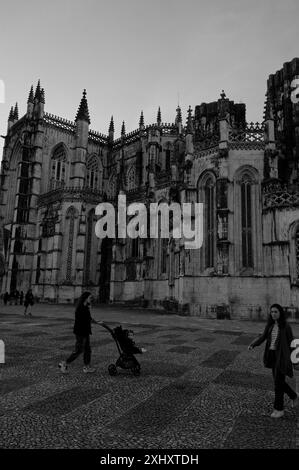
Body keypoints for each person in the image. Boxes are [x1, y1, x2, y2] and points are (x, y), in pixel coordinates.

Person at [248, 304, 298, 418]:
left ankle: (279, 409)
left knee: (278, 384)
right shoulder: (270, 325)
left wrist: (294, 359)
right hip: (272, 357)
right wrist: (253, 344)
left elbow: (291, 343)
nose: (273, 314)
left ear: (280, 313)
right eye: (272, 312)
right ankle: (294, 396)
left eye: (276, 311)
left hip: (282, 357)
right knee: (279, 382)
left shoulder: (286, 326)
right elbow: (263, 337)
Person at [59, 291, 102, 374]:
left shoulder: (85, 307)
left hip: (85, 332)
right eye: (90, 298)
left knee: (87, 350)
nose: (91, 299)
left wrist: (96, 322)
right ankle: (64, 363)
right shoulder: (80, 308)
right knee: (79, 350)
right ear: (85, 298)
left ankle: (87, 367)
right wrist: (88, 323)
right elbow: (81, 321)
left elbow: (88, 318)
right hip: (81, 332)